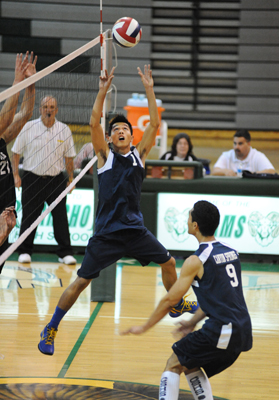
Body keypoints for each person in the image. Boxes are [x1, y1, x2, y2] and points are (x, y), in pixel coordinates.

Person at [37, 65, 197, 356]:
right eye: (116, 130)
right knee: (82, 281)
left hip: (135, 231)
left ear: (131, 137)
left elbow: (153, 126)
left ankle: (175, 305)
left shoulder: (140, 155)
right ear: (109, 139)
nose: (120, 131)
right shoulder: (104, 157)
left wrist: (149, 89)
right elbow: (94, 122)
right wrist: (101, 91)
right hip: (108, 234)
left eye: (125, 128)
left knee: (170, 263)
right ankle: (51, 327)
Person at [122, 200, 253, 400]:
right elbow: (220, 298)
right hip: (242, 330)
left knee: (173, 363)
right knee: (190, 363)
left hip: (222, 330)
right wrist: (192, 322)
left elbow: (170, 300)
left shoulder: (196, 260)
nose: (188, 218)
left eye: (190, 215)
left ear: (195, 226)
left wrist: (144, 327)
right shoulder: (231, 252)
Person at [11, 95, 77, 265]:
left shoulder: (64, 129)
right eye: (45, 107)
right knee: (29, 217)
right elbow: (16, 152)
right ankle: (25, 251)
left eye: (52, 107)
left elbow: (69, 158)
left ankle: (65, 253)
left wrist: (70, 178)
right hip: (32, 179)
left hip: (56, 180)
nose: (48, 110)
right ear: (40, 109)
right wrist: (16, 175)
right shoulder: (28, 127)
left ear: (56, 110)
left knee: (60, 217)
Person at [0, 51, 37, 273]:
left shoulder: (1, 140)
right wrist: (17, 81)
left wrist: (30, 84)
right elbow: (5, 119)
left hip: (6, 212)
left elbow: (24, 115)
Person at [211, 129, 275, 176]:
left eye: (240, 144)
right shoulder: (227, 155)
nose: (236, 147)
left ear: (248, 144)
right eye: (235, 143)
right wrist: (226, 172)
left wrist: (252, 175)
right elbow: (214, 171)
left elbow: (272, 172)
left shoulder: (257, 156)